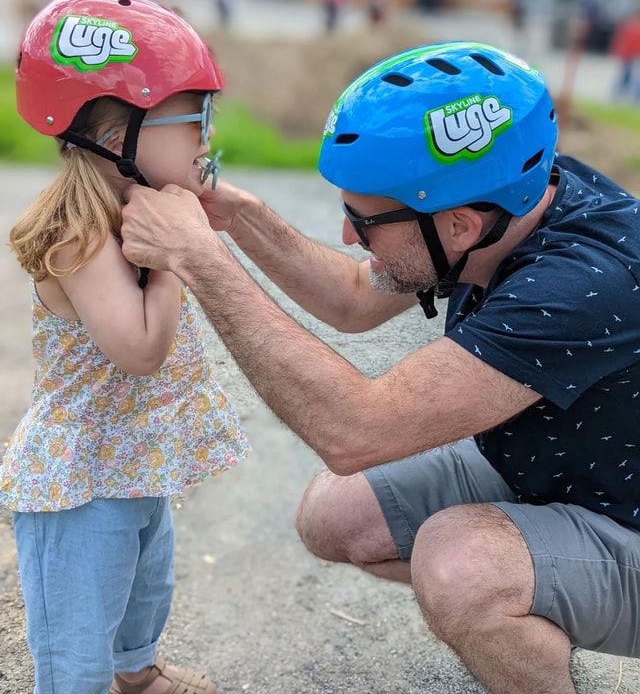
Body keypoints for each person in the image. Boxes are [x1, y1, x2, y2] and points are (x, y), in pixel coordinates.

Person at [120, 41, 640, 694]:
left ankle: (516, 616)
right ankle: (528, 619)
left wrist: (199, 260)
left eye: (363, 222)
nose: (347, 236)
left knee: (459, 565)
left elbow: (355, 430)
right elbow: (357, 299)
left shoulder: (580, 286)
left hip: (626, 523)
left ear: (459, 226)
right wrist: (239, 217)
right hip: (560, 472)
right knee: (334, 516)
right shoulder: (514, 195)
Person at [1, 0, 250, 694]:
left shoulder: (131, 213)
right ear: (118, 142)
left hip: (133, 459)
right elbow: (140, 350)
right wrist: (177, 254)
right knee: (79, 636)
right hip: (80, 483)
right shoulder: (81, 238)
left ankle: (136, 675)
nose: (206, 138)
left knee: (146, 586)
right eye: (192, 119)